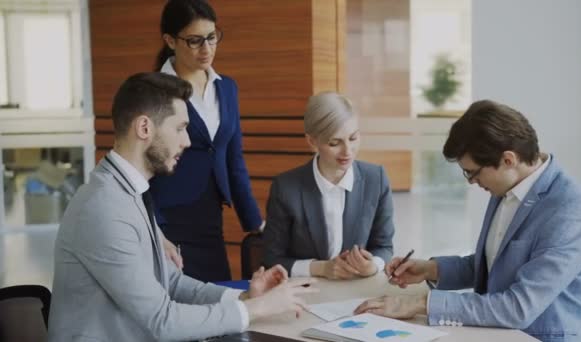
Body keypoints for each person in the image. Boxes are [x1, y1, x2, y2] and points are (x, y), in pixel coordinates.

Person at [47, 72, 316, 342]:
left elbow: (171, 282)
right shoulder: (105, 208)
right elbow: (163, 322)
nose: (187, 141)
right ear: (144, 128)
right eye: (179, 128)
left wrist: (245, 296)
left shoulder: (128, 191)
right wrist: (256, 309)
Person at [355, 100, 581, 342]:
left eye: (472, 172)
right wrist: (430, 269)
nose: (470, 181)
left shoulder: (570, 210)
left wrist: (420, 303)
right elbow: (495, 265)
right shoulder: (506, 187)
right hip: (496, 333)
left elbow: (518, 308)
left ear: (508, 160)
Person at [150, 0, 263, 282]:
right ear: (170, 41)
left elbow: (233, 158)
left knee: (217, 297)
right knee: (180, 304)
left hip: (210, 217)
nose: (207, 49)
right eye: (195, 41)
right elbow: (141, 163)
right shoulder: (153, 91)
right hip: (167, 217)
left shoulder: (226, 87)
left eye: (212, 37)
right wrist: (152, 228)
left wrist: (255, 223)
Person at [263, 91, 394, 280]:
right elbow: (271, 258)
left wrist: (373, 266)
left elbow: (384, 247)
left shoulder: (376, 179)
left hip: (356, 290)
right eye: (334, 143)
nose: (347, 151)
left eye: (353, 138)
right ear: (312, 141)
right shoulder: (286, 188)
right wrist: (320, 268)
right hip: (306, 292)